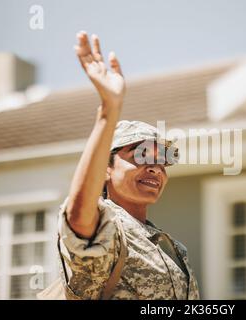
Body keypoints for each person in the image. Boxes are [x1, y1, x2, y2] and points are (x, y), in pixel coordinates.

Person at [55, 31, 200, 300]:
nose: (156, 168)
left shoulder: (173, 249)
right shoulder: (103, 227)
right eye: (141, 155)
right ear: (106, 169)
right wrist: (109, 109)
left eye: (162, 161)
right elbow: (78, 214)